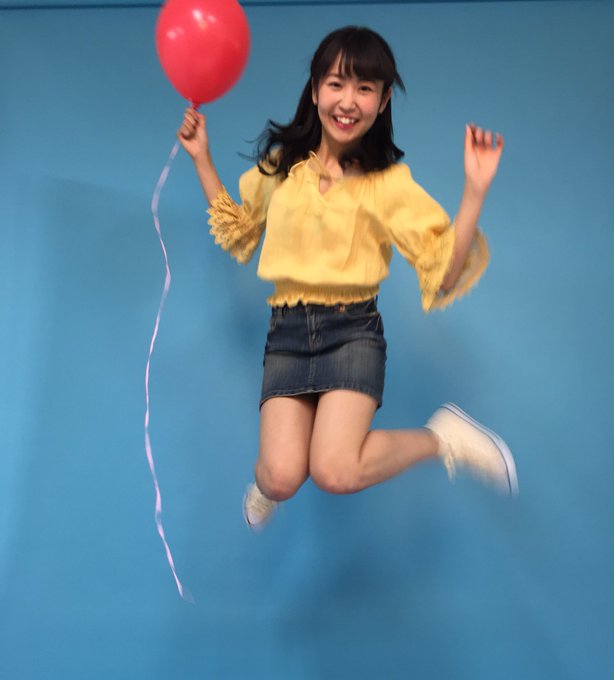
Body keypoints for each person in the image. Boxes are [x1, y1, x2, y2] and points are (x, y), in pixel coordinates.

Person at [177, 26, 518, 530]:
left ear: (383, 102)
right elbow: (238, 231)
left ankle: (443, 438)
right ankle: (268, 488)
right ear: (316, 90)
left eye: (365, 88)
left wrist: (475, 191)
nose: (348, 101)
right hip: (287, 332)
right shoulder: (282, 169)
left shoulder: (388, 185)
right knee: (279, 477)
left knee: (335, 471)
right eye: (336, 83)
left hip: (352, 331)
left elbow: (444, 273)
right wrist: (201, 157)